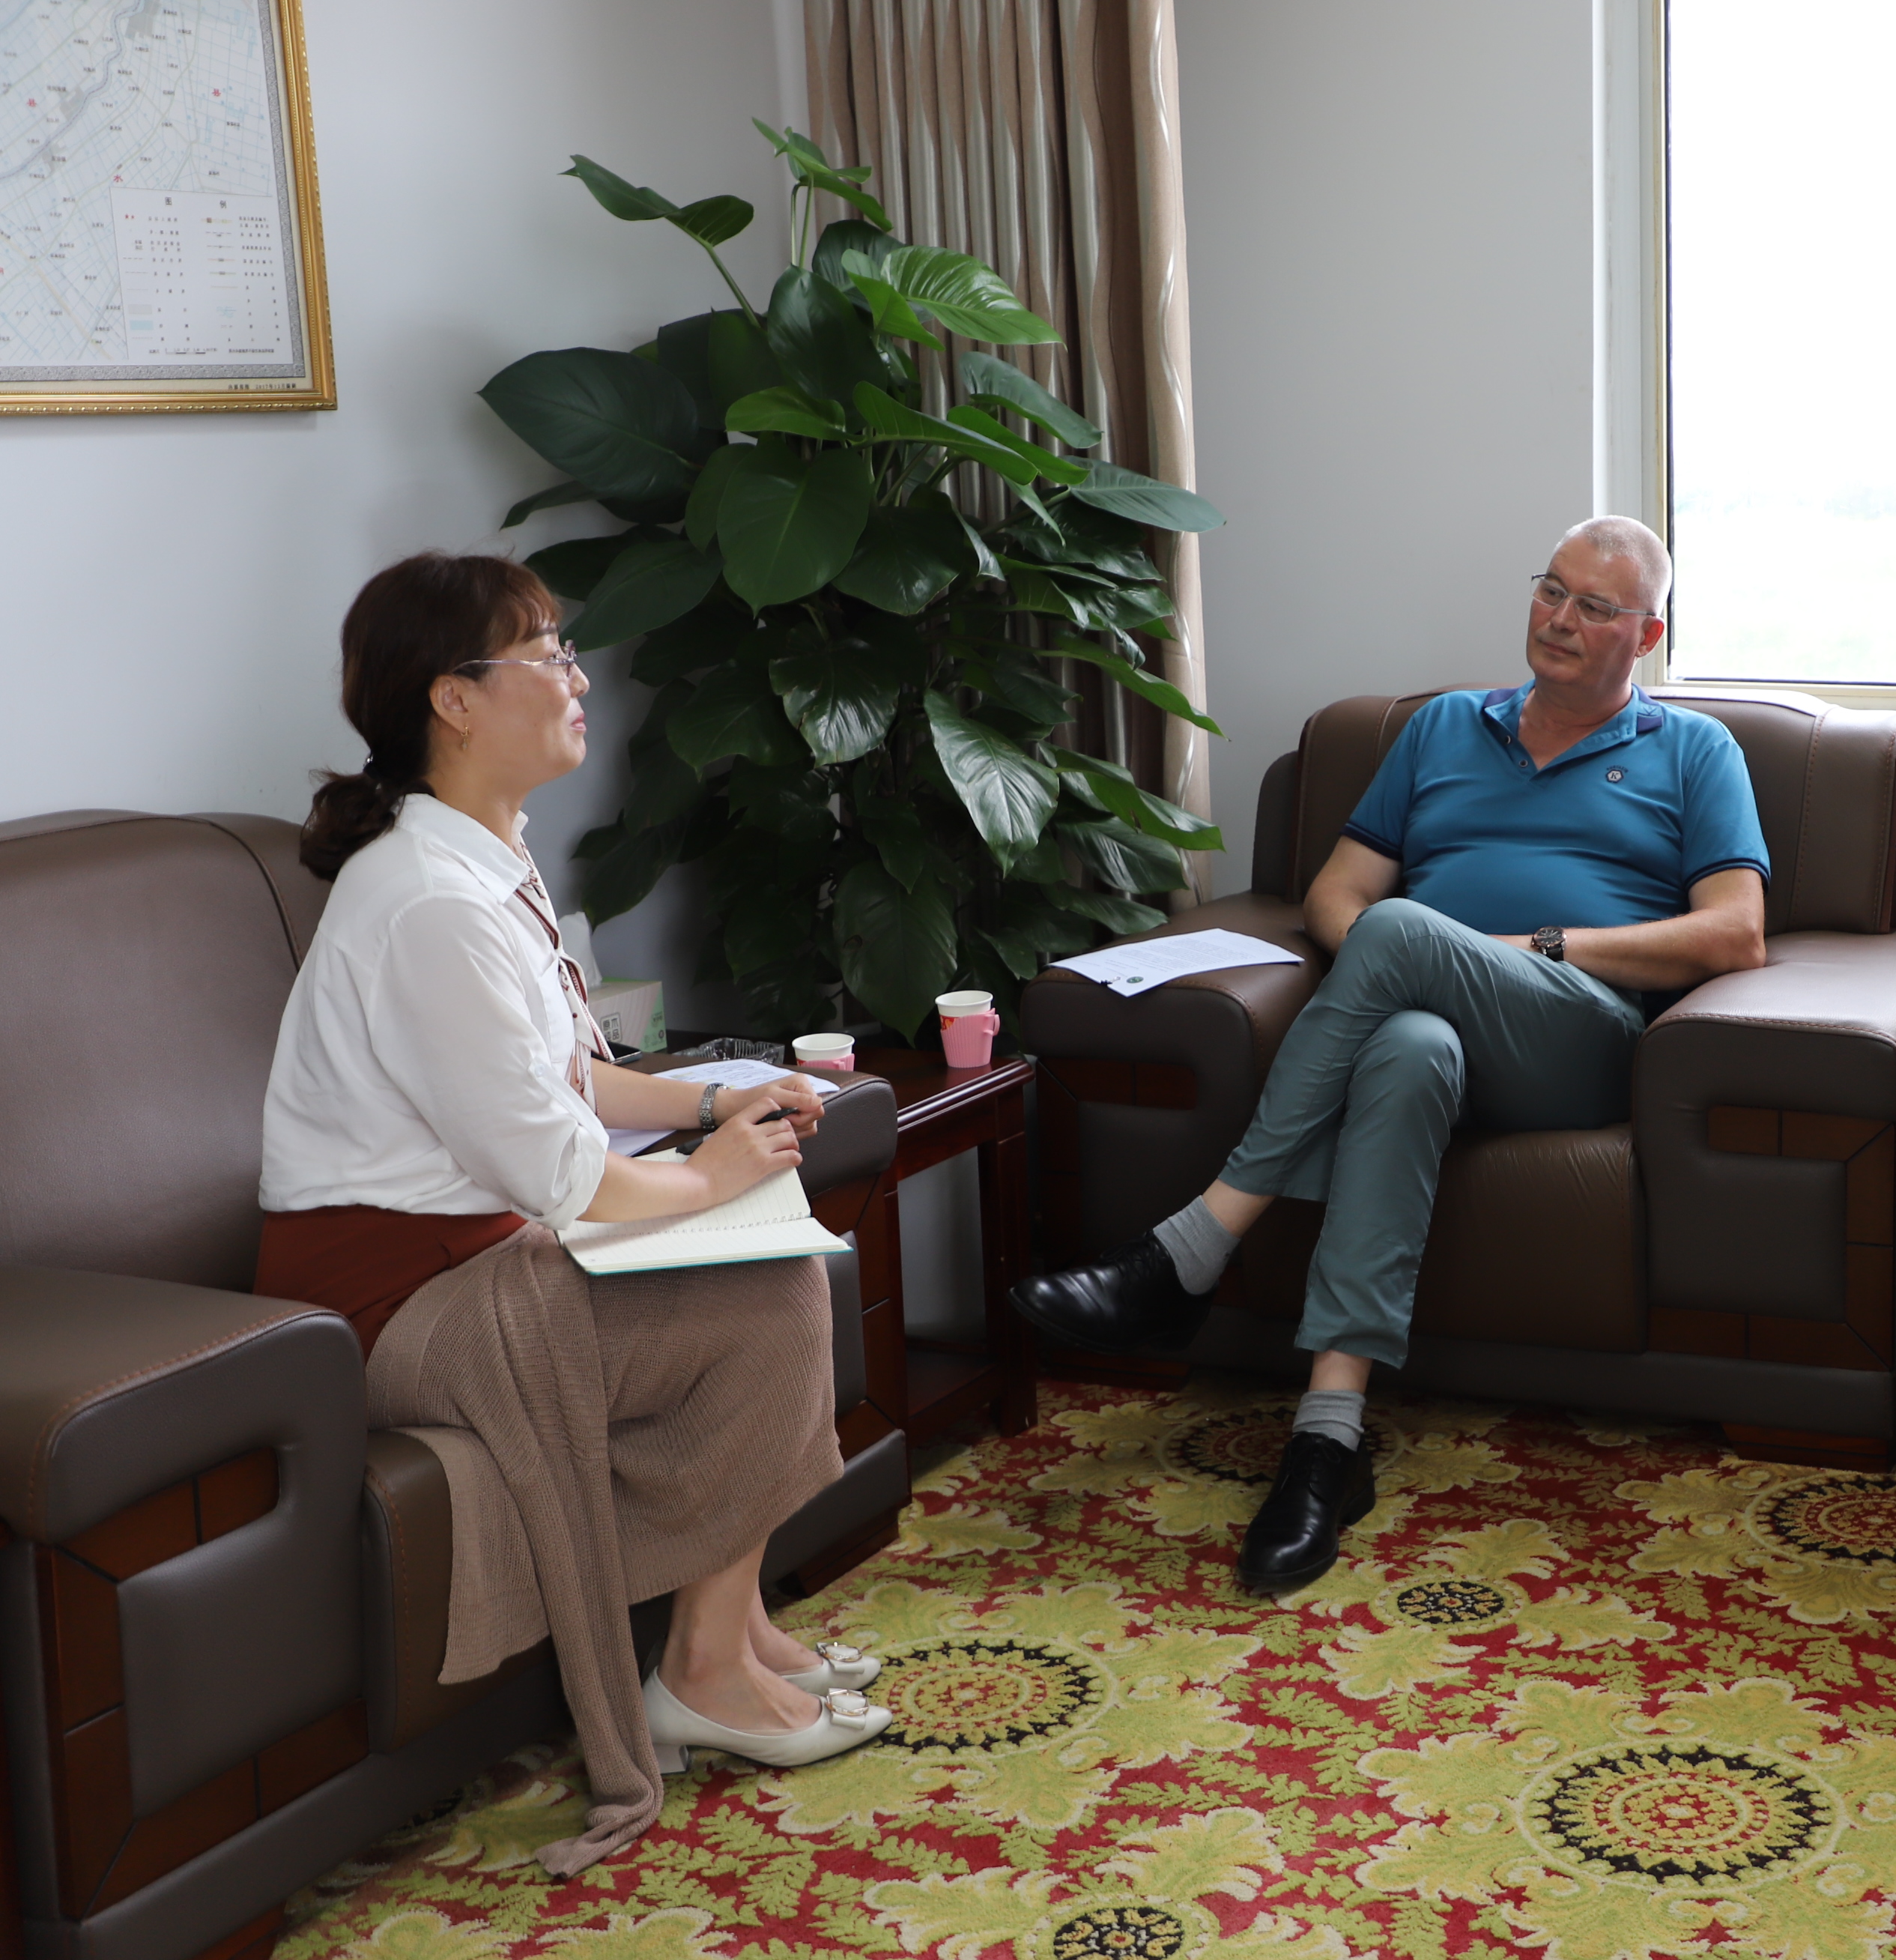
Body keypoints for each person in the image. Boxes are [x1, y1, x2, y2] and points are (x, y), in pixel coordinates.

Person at [258, 553, 891, 1877]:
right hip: (399, 1306)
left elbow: (569, 1078)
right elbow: (563, 1171)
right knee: (769, 1281)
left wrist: (710, 1104)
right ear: (455, 701)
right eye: (546, 654)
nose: (578, 678)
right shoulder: (427, 903)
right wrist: (713, 1177)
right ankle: (700, 1671)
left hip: (482, 1254)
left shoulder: (484, 856)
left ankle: (736, 1632)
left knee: (775, 1254)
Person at [1009, 516, 1769, 1595]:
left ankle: (1192, 1247)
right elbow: (1336, 894)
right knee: (1407, 1043)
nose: (1559, 618)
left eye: (1595, 607)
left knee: (1405, 929)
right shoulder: (1444, 727)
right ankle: (1327, 1440)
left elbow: (1736, 933)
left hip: (1581, 1035)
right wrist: (1403, 964)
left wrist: (1522, 948)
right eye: (1551, 589)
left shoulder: (1694, 750)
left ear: (1646, 634)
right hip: (1436, 1030)